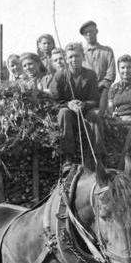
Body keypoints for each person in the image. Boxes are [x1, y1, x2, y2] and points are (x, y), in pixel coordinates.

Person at [49, 42, 102, 173]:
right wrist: (68, 104)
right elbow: (53, 102)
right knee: (63, 113)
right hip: (69, 114)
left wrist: (83, 104)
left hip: (85, 112)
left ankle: (96, 156)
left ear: (83, 56)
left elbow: (95, 100)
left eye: (77, 56)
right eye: (71, 57)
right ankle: (68, 158)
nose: (74, 60)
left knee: (95, 115)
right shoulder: (60, 76)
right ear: (66, 59)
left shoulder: (90, 75)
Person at [80, 20, 116, 112]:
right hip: (86, 93)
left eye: (91, 31)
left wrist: (100, 85)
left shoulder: (107, 51)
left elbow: (111, 74)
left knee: (104, 117)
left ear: (96, 31)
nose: (88, 34)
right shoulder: (80, 54)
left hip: (103, 92)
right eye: (85, 33)